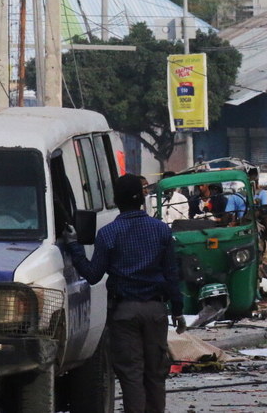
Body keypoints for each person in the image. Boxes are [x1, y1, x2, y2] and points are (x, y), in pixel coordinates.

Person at [65, 174, 183, 413]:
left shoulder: (108, 234)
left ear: (116, 201)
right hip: (155, 310)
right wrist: (178, 311)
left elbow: (93, 274)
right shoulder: (161, 230)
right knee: (155, 374)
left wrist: (74, 246)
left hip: (124, 312)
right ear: (141, 199)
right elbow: (172, 275)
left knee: (131, 375)